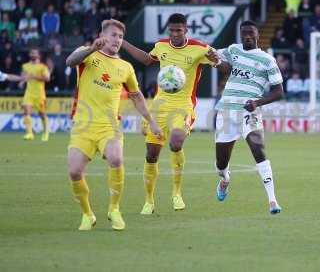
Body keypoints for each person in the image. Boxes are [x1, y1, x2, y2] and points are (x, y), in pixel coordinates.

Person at [65, 19, 161, 231]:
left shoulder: (125, 67)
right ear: (103, 35)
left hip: (110, 125)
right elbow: (70, 61)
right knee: (74, 172)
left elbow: (136, 97)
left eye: (120, 36)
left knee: (116, 159)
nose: (117, 40)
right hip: (83, 125)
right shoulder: (88, 54)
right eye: (114, 35)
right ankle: (87, 214)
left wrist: (152, 122)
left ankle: (114, 209)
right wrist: (91, 49)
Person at [122, 13, 220, 215]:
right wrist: (123, 43)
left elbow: (222, 64)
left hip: (183, 106)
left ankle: (177, 193)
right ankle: (149, 201)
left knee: (176, 142)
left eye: (179, 30)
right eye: (172, 30)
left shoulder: (199, 48)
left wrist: (217, 60)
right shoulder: (161, 46)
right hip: (159, 106)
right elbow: (147, 60)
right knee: (151, 155)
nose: (175, 34)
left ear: (186, 30)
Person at [214, 20, 284, 215]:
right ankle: (225, 179)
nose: (247, 36)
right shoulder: (233, 50)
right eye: (244, 33)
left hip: (249, 111)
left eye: (251, 33)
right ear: (240, 34)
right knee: (220, 164)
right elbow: (220, 62)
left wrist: (257, 103)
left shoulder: (267, 60)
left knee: (258, 150)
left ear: (257, 35)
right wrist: (213, 58)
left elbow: (279, 92)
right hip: (226, 111)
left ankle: (272, 201)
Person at [20, 48, 50, 141]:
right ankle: (29, 134)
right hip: (29, 93)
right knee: (26, 112)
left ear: (39, 55)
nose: (33, 54)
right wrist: (22, 81)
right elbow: (23, 76)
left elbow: (47, 78)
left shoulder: (43, 67)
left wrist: (34, 76)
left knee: (42, 114)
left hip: (40, 94)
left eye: (35, 53)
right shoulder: (25, 66)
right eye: (31, 53)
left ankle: (46, 133)